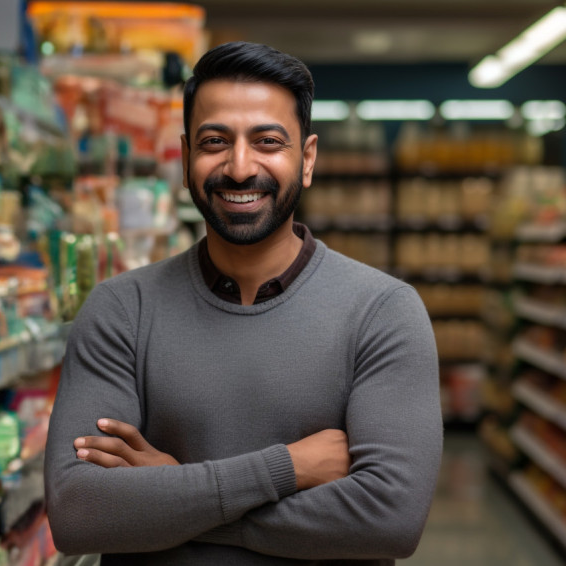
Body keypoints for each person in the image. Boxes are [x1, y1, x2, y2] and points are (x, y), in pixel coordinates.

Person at [44, 41, 442, 566]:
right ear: (186, 160)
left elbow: (390, 519)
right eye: (214, 141)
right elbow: (79, 513)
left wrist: (171, 491)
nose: (238, 167)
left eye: (268, 141)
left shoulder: (383, 312)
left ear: (307, 159)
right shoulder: (122, 309)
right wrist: (287, 469)